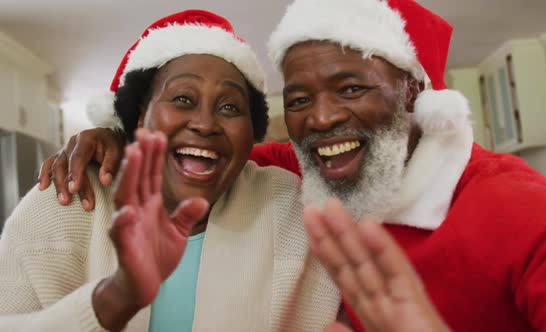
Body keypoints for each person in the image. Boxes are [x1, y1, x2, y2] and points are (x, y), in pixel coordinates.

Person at [41, 0, 546, 331]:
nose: (321, 118)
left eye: (351, 88)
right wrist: (119, 134)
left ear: (413, 91)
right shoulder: (311, 170)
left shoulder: (517, 208)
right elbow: (212, 153)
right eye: (299, 99)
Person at [0, 9, 341, 332]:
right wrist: (114, 298)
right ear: (137, 117)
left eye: (229, 106)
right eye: (182, 99)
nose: (206, 123)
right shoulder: (65, 202)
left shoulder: (294, 211)